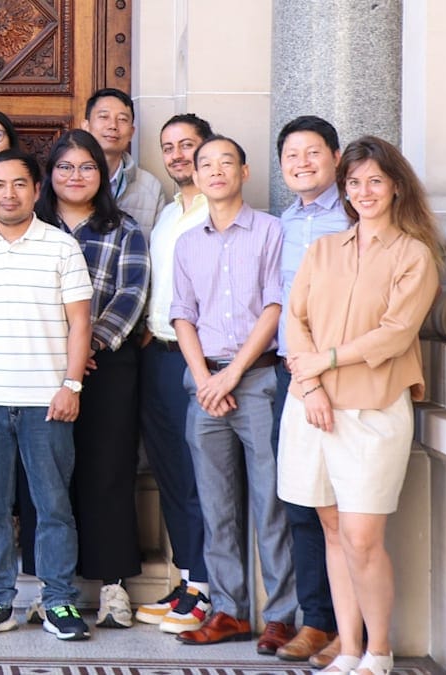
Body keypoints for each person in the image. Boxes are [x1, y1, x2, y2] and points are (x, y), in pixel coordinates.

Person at [278, 136, 441, 675]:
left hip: (372, 411)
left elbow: (395, 335)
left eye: (374, 180)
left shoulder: (414, 255)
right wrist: (313, 386)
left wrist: (326, 361)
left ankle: (380, 651)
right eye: (353, 183)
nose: (364, 191)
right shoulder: (323, 249)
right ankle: (348, 649)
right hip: (314, 409)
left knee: (363, 536)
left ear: (395, 186)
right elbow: (292, 321)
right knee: (330, 529)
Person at [0, 149, 93, 642]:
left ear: (35, 188)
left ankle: (58, 602)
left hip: (46, 400)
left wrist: (71, 384)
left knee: (52, 505)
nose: (9, 193)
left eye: (19, 184)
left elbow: (80, 322)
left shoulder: (61, 246)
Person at [169, 135, 296, 650]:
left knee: (271, 503)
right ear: (195, 177)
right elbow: (181, 313)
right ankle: (229, 611)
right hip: (204, 386)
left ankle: (282, 615)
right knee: (216, 504)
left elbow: (275, 307)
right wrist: (205, 379)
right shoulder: (187, 241)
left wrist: (230, 375)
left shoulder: (271, 231)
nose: (215, 171)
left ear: (244, 171)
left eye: (227, 161)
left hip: (259, 380)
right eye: (206, 164)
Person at [34, 130, 149, 629]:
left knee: (107, 471)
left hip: (106, 367)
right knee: (45, 478)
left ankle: (112, 586)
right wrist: (62, 354)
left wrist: (88, 349)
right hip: (38, 367)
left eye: (86, 167)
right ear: (50, 175)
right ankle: (48, 585)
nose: (75, 176)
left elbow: (132, 293)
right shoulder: (30, 226)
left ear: (101, 176)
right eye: (65, 167)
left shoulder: (124, 228)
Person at [270, 115, 346, 663]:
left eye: (312, 152)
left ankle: (353, 627)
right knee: (301, 498)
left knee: (346, 504)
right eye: (291, 155)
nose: (301, 162)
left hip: (341, 375)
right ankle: (317, 621)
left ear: (336, 157)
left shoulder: (353, 216)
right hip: (288, 373)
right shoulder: (284, 221)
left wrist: (316, 370)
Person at [135, 113, 214, 634]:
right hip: (157, 354)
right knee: (171, 475)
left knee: (201, 477)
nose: (178, 154)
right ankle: (187, 581)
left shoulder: (220, 213)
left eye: (189, 144)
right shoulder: (167, 214)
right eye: (169, 146)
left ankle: (207, 589)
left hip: (198, 360)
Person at [80, 88, 166, 235]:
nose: (113, 125)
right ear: (86, 126)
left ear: (132, 132)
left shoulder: (151, 187)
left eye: (122, 119)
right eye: (104, 117)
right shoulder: (67, 179)